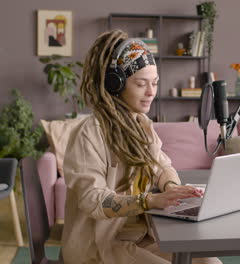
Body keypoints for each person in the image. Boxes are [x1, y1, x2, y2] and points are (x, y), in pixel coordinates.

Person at [62, 29, 222, 264]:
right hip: (100, 246)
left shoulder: (142, 124)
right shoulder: (90, 132)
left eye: (155, 83)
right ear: (115, 84)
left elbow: (161, 166)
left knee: (211, 263)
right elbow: (92, 199)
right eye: (140, 84)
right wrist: (147, 201)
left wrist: (172, 189)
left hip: (142, 236)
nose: (151, 93)